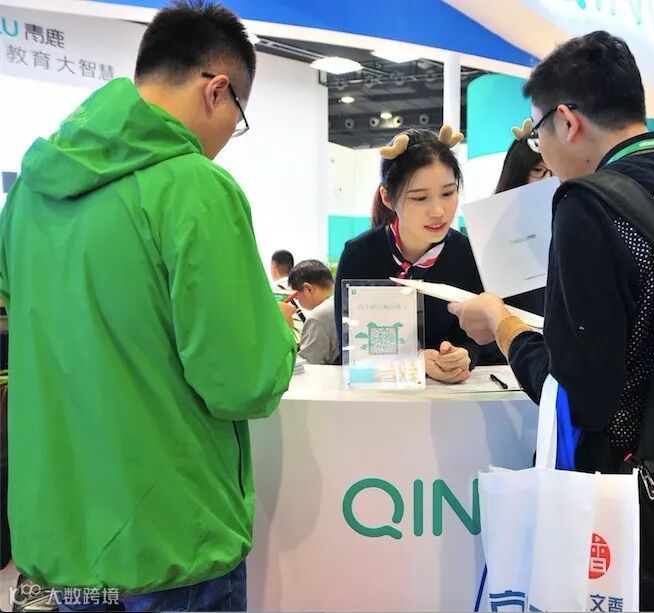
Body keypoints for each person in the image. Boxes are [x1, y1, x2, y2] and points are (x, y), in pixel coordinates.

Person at [0, 2, 298, 611]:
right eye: (238, 117)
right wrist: (279, 336)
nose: (228, 138)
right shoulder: (195, 187)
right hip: (172, 540)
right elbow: (242, 381)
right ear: (217, 90)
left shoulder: (30, 193)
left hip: (62, 541)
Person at [449, 31, 654, 473]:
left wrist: (503, 325)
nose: (543, 153)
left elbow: (576, 397)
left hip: (633, 485)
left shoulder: (590, 205)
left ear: (567, 121)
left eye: (539, 135)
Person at [334, 126, 489, 384]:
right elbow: (352, 349)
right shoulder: (359, 254)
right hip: (378, 397)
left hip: (449, 398)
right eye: (419, 198)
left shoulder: (468, 254)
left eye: (448, 193)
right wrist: (413, 361)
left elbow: (475, 339)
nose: (438, 211)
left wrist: (463, 356)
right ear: (387, 197)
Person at [493, 132, 555, 317]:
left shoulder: (576, 215)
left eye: (554, 171)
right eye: (537, 170)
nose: (548, 180)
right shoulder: (493, 226)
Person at [289, 259, 339, 365]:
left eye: (296, 295)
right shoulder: (346, 301)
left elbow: (308, 365)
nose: (296, 300)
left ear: (308, 289)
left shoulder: (318, 317)